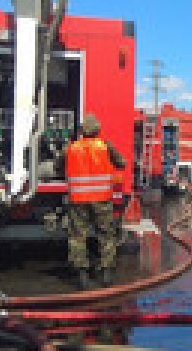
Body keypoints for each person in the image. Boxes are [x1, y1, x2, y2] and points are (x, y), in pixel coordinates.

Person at [65, 113, 127, 288]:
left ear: (82, 130)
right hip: (101, 200)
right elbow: (122, 163)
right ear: (97, 129)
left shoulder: (72, 147)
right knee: (106, 235)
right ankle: (106, 274)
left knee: (78, 236)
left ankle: (82, 276)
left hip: (78, 200)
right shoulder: (105, 146)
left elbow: (57, 166)